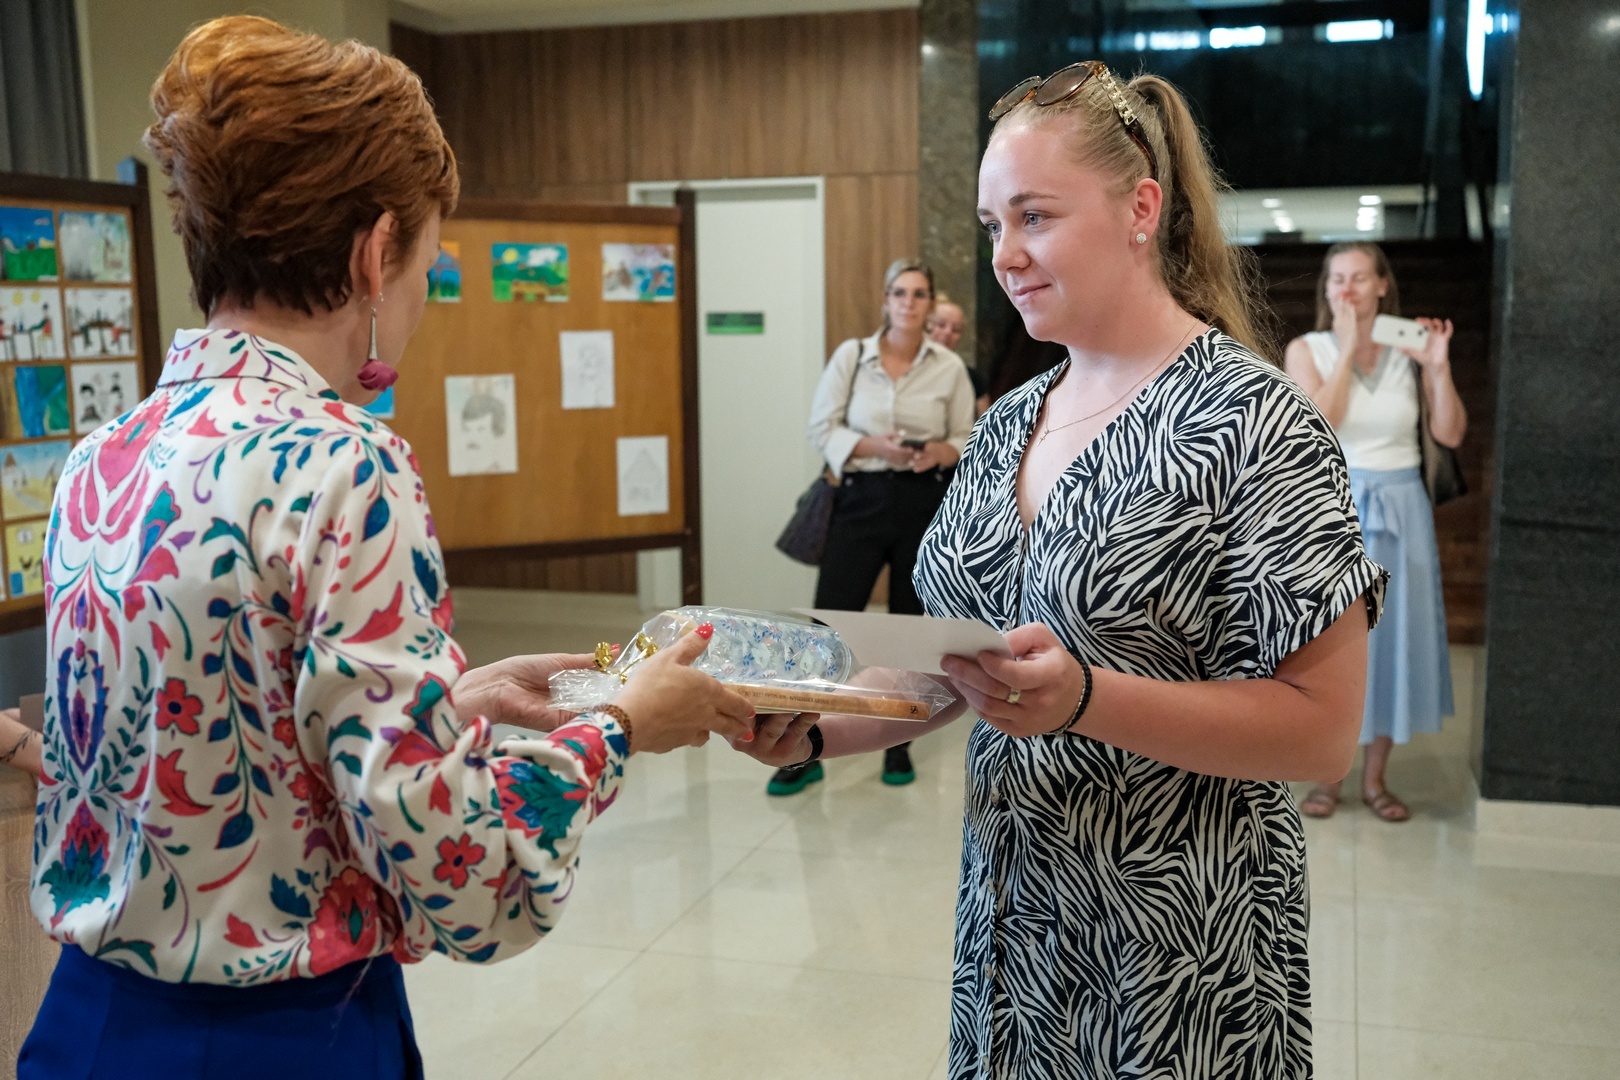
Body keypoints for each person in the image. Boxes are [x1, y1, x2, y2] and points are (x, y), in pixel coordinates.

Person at [20, 18, 756, 1078]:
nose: (420, 301)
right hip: (278, 1041)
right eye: (426, 266)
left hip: (87, 1027)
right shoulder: (345, 466)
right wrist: (624, 727)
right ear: (374, 254)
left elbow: (222, 738)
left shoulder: (102, 458)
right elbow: (465, 876)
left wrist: (458, 704)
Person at [738, 61, 1385, 1077]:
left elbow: (1322, 732)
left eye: (1034, 217)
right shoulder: (1007, 425)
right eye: (993, 225)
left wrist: (1086, 698)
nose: (1005, 255)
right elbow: (946, 672)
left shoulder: (1255, 422)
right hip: (1014, 934)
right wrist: (812, 723)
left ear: (1141, 210)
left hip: (1181, 954)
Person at [768, 259, 975, 796]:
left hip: (922, 502)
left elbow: (966, 436)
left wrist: (938, 452)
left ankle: (897, 744)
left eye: (919, 294)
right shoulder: (852, 356)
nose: (909, 302)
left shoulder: (949, 366)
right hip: (858, 498)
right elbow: (822, 426)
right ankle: (797, 745)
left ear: (930, 304)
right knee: (826, 624)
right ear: (886, 300)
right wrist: (873, 446)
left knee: (911, 628)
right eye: (900, 293)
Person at [1284, 242, 1466, 822]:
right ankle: (1327, 776)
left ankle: (1375, 779)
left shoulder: (1408, 352)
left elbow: (1451, 434)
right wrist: (1344, 347)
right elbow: (1320, 422)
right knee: (1334, 644)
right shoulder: (1307, 349)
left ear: (1382, 285)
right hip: (1333, 510)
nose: (1348, 289)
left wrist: (1437, 366)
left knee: (1394, 640)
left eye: (1359, 278)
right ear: (1326, 289)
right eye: (1337, 279)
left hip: (1404, 508)